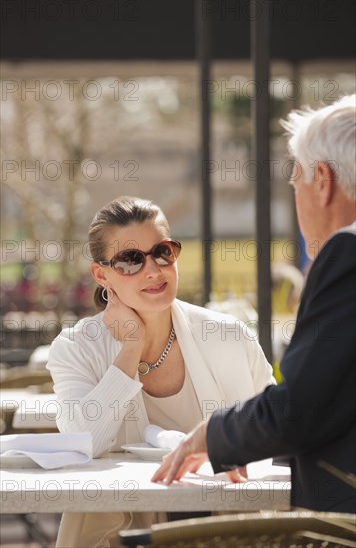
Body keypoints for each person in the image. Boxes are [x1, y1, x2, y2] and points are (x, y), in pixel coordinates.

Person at [153, 94, 356, 514]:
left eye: (295, 180)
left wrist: (214, 434)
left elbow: (301, 407)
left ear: (322, 180)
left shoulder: (347, 254)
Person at [47, 195, 275, 547]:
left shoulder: (229, 335)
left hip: (225, 532)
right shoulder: (75, 348)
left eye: (162, 252)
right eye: (130, 260)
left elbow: (274, 429)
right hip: (114, 537)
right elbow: (83, 443)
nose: (153, 270)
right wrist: (131, 347)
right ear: (101, 274)